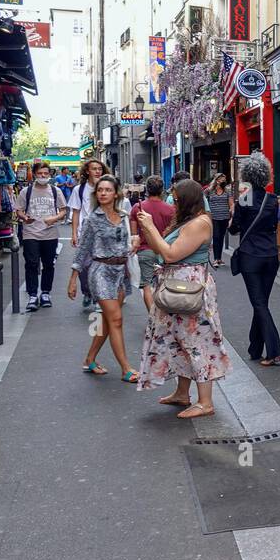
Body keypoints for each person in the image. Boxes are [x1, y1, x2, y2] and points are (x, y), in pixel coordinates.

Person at [136, 178, 230, 419]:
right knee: (179, 340)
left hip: (189, 289)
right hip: (178, 286)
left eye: (177, 200)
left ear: (188, 200)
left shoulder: (199, 223)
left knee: (197, 342)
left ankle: (205, 402)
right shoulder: (189, 221)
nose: (173, 203)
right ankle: (182, 392)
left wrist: (150, 228)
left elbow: (169, 254)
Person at [68, 174, 139, 382]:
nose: (103, 193)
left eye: (107, 190)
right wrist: (73, 279)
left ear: (116, 193)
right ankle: (126, 369)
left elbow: (123, 245)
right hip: (100, 272)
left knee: (108, 322)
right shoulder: (93, 219)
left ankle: (90, 359)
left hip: (120, 272)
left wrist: (131, 247)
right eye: (100, 190)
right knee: (116, 319)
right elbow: (82, 251)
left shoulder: (124, 215)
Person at [229, 152, 280, 366]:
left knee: (259, 303)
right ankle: (255, 347)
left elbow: (234, 229)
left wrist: (235, 216)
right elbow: (273, 226)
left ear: (248, 176)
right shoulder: (273, 200)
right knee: (261, 302)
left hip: (251, 257)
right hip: (271, 256)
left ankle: (274, 350)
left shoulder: (245, 199)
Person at [14, 162, 69, 311]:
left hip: (50, 233)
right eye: (40, 174)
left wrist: (55, 218)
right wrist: (25, 218)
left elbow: (64, 210)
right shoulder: (26, 191)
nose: (43, 176)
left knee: (48, 264)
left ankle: (45, 293)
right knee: (31, 263)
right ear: (35, 175)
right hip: (30, 232)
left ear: (49, 175)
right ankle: (33, 294)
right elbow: (18, 210)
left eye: (45, 173)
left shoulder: (55, 191)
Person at [70, 159, 115, 311]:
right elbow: (76, 211)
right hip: (86, 232)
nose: (97, 172)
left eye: (100, 169)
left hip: (104, 231)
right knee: (84, 265)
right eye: (94, 169)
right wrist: (74, 233)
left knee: (101, 264)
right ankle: (87, 292)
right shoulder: (79, 189)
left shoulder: (107, 188)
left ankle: (98, 297)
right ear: (87, 171)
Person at [129, 176, 176, 311]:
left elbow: (134, 234)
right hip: (165, 250)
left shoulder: (138, 207)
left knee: (147, 285)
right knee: (164, 284)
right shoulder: (170, 209)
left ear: (147, 190)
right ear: (162, 190)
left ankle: (152, 318)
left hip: (145, 250)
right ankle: (163, 316)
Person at [206, 173, 234, 267]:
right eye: (221, 180)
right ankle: (215, 259)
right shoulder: (210, 190)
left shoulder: (227, 191)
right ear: (216, 180)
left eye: (224, 180)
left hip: (224, 217)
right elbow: (204, 201)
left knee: (221, 237)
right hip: (214, 217)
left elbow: (231, 204)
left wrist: (231, 214)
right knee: (216, 236)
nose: (223, 181)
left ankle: (219, 258)